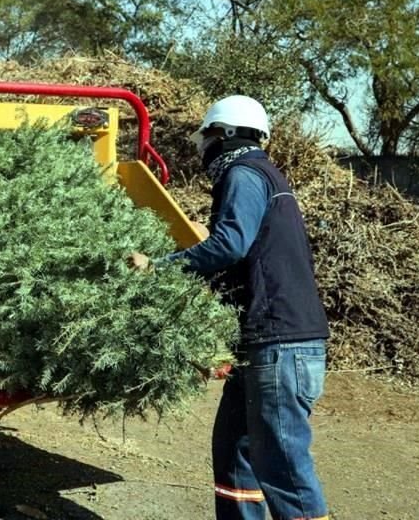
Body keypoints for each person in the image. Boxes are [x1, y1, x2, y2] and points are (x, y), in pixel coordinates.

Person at [132, 95, 330, 520]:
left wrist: (160, 268)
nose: (202, 147)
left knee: (284, 470)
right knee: (235, 457)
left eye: (206, 137)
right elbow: (248, 256)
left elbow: (230, 244)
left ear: (223, 134)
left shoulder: (243, 173)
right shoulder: (264, 176)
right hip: (262, 344)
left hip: (279, 345)